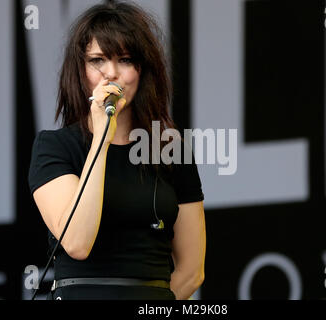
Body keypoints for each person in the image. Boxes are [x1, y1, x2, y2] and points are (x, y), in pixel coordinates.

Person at [28, 1, 205, 300]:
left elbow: (192, 270)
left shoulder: (171, 150)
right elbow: (77, 242)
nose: (111, 73)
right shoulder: (55, 146)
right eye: (98, 60)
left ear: (142, 69)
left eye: (125, 59)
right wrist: (101, 138)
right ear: (81, 70)